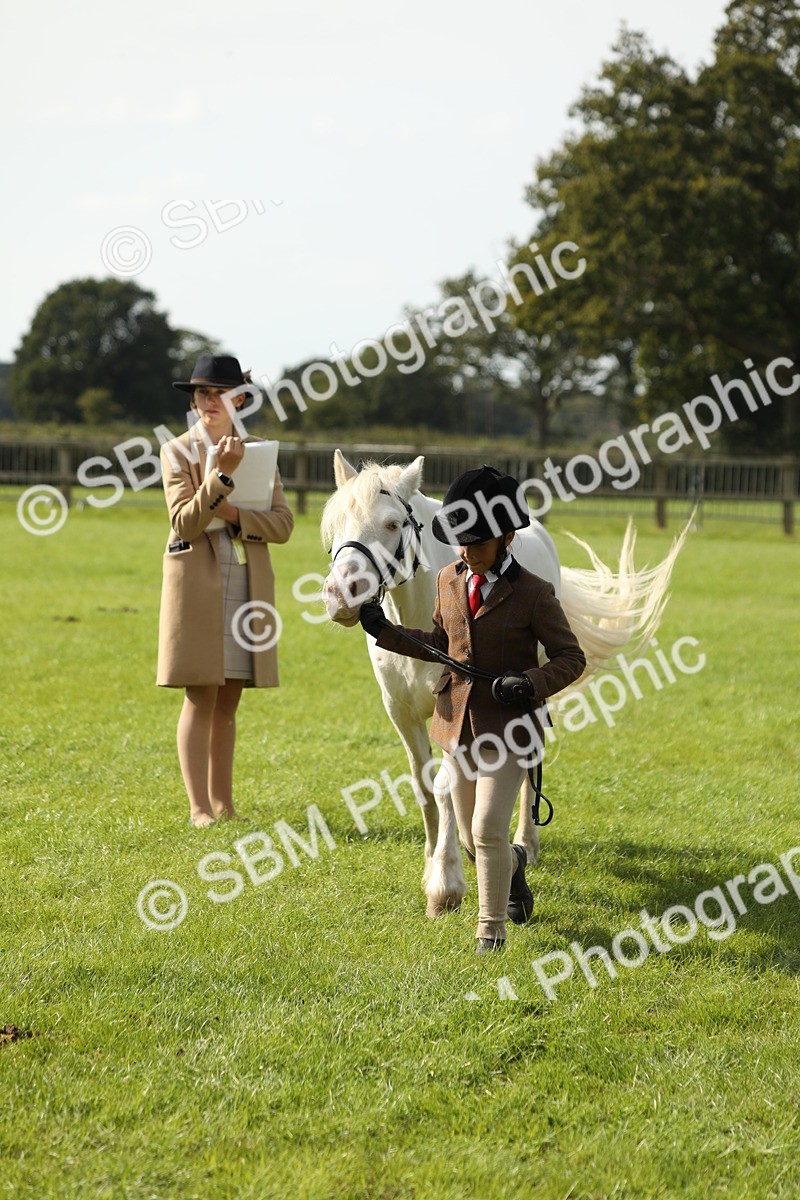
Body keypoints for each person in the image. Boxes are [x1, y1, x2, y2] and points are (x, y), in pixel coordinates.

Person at [359, 465, 585, 953]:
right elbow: (441, 644)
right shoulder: (447, 580)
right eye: (459, 542)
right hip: (457, 727)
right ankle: (514, 865)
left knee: (486, 829)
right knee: (468, 836)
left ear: (506, 538)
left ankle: (491, 931)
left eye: (477, 544)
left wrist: (529, 682)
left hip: (510, 726)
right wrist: (385, 631)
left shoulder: (534, 593)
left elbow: (572, 658)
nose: (465, 552)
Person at [157, 354, 294, 826]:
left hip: (246, 577)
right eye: (201, 394)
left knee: (230, 696)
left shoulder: (261, 451)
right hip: (196, 580)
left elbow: (282, 525)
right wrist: (223, 476)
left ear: (240, 399)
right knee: (201, 693)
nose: (208, 402)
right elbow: (185, 522)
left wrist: (236, 516)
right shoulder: (176, 452)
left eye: (219, 394)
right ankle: (199, 809)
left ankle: (224, 804)